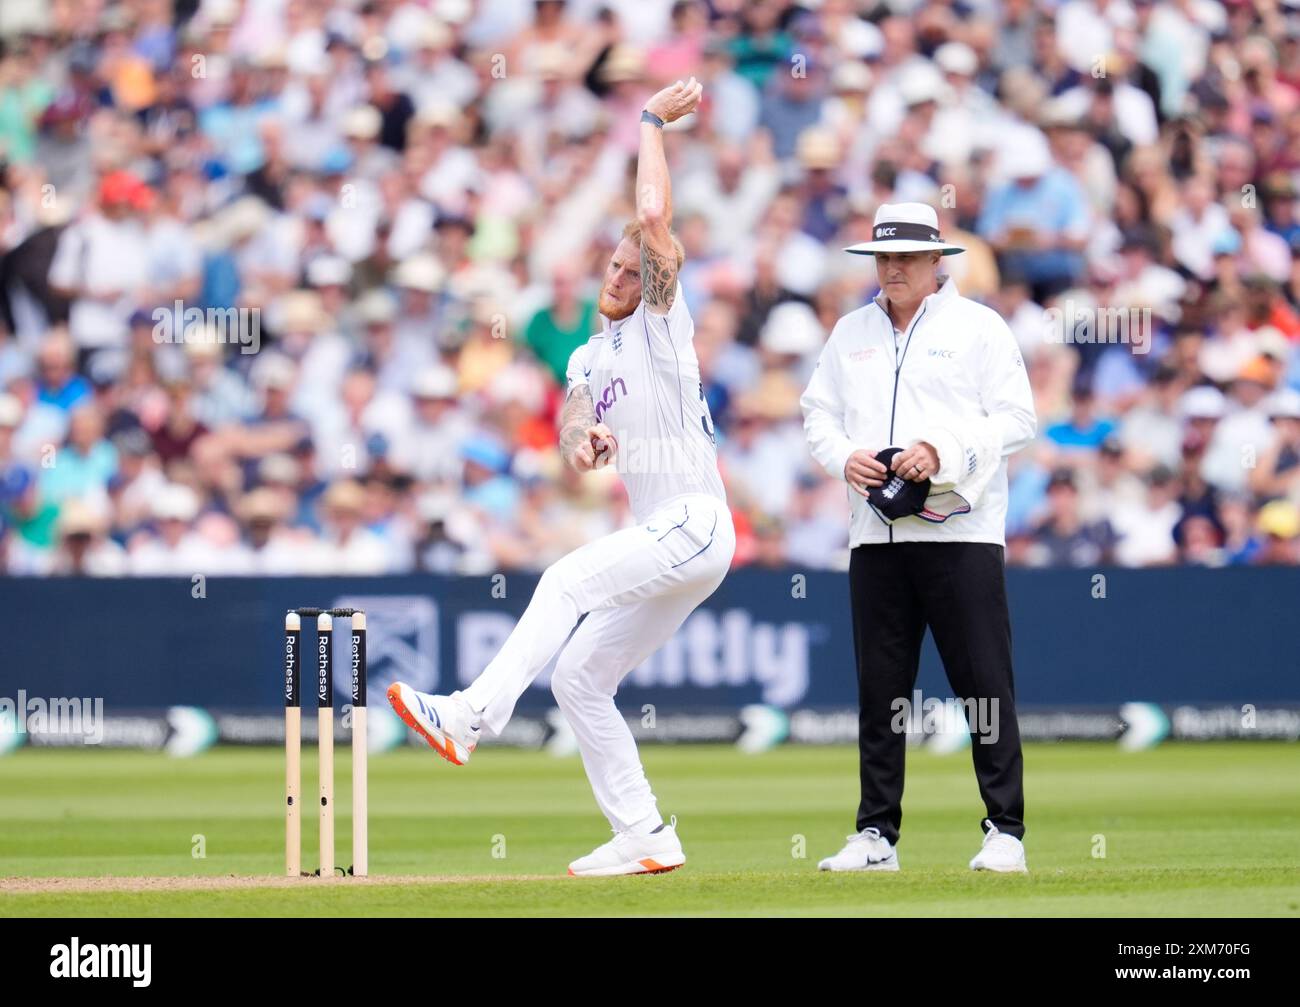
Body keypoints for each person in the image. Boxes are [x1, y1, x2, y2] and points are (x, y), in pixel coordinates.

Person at [387, 79, 735, 877]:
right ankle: (646, 833)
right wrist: (582, 442)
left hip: (696, 517)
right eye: (612, 266)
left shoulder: (660, 323)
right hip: (672, 537)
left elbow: (653, 220)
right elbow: (574, 417)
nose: (620, 275)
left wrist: (649, 122)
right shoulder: (585, 353)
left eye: (632, 266)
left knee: (566, 578)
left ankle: (472, 716)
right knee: (580, 675)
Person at [800, 202, 1037, 873]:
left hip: (962, 530)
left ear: (938, 260)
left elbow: (1018, 418)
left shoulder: (978, 327)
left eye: (907, 256)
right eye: (885, 256)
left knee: (984, 687)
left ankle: (1005, 831)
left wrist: (944, 448)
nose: (894, 268)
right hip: (875, 534)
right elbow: (817, 413)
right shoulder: (851, 331)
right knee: (882, 691)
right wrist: (844, 455)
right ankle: (875, 834)